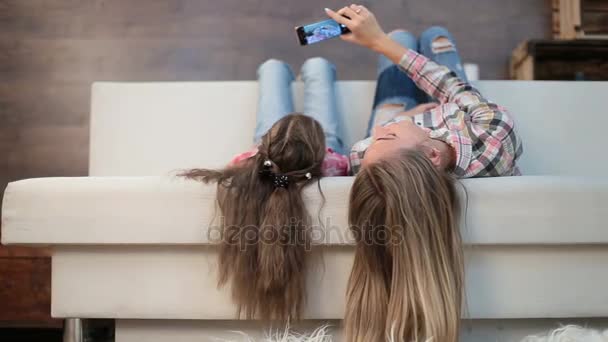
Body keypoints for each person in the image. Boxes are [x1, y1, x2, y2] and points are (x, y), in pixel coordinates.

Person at [324, 4, 523, 342]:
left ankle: (398, 51)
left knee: (400, 44)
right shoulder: (493, 138)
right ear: (432, 154)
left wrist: (400, 122)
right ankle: (409, 42)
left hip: (413, 117)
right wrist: (378, 42)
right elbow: (455, 91)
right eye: (385, 137)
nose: (375, 138)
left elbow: (366, 146)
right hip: (455, 110)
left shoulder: (368, 159)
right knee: (434, 38)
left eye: (374, 142)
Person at [181, 58, 349, 321]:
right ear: (322, 154)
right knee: (302, 68)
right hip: (293, 152)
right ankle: (307, 67)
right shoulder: (335, 164)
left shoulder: (247, 163)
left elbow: (239, 166)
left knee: (275, 73)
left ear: (264, 145)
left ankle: (283, 70)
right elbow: (345, 166)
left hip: (284, 150)